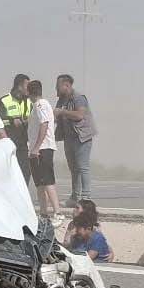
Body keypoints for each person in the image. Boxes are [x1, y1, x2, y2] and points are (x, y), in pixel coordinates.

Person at [55, 74, 96, 207]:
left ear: (66, 85)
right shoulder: (61, 100)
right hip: (68, 138)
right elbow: (55, 116)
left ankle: (86, 198)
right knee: (73, 169)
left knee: (82, 167)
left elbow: (79, 115)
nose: (56, 88)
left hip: (81, 137)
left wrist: (62, 112)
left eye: (58, 85)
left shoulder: (79, 98)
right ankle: (75, 197)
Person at [25, 79, 59, 221]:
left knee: (47, 181)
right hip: (35, 149)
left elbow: (44, 124)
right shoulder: (35, 107)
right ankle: (43, 214)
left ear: (29, 92)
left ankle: (58, 212)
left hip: (43, 149)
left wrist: (37, 147)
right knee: (39, 183)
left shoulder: (41, 105)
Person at [0, 73, 33, 176]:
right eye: (28, 86)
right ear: (19, 86)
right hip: (7, 145)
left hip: (23, 145)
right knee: (8, 174)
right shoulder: (4, 101)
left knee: (25, 172)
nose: (30, 89)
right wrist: (11, 120)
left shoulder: (29, 102)